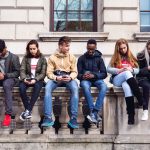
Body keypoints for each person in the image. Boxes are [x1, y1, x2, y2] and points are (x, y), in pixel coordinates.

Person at [41, 36, 79, 129]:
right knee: (47, 88)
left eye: (68, 46)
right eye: (66, 46)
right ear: (60, 46)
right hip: (56, 78)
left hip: (68, 77)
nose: (68, 48)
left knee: (75, 88)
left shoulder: (72, 57)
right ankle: (48, 117)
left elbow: (75, 71)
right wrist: (56, 78)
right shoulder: (52, 57)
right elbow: (49, 72)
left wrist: (70, 77)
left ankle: (73, 118)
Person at [107, 38, 143, 125]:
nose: (123, 50)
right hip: (117, 80)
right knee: (126, 73)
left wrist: (131, 69)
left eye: (124, 48)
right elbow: (108, 69)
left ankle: (131, 116)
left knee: (127, 88)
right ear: (118, 49)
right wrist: (120, 70)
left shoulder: (131, 57)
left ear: (127, 47)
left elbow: (138, 70)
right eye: (121, 48)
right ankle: (140, 98)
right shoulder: (115, 57)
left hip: (127, 80)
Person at [77, 39, 107, 124]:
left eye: (92, 49)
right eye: (89, 49)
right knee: (85, 87)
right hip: (85, 80)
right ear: (86, 47)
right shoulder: (81, 58)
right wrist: (83, 76)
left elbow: (104, 74)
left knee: (104, 87)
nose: (90, 51)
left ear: (95, 48)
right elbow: (78, 75)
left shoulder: (99, 59)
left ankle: (94, 111)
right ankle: (92, 111)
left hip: (97, 79)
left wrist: (94, 75)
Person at [19, 40, 47, 121]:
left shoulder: (42, 58)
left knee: (37, 87)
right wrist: (24, 79)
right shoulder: (26, 58)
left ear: (37, 48)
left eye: (34, 48)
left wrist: (35, 79)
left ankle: (28, 110)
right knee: (21, 87)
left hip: (38, 79)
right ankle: (28, 110)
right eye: (30, 49)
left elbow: (43, 73)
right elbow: (22, 70)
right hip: (27, 79)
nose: (32, 51)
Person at [0, 39, 20, 127]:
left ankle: (8, 114)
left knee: (6, 84)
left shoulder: (14, 57)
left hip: (10, 79)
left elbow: (17, 73)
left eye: (1, 51)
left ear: (5, 48)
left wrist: (5, 75)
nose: (0, 54)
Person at [137, 40, 150, 121]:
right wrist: (148, 68)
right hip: (142, 78)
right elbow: (138, 71)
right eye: (149, 48)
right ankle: (145, 111)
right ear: (146, 47)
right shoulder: (140, 56)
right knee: (146, 86)